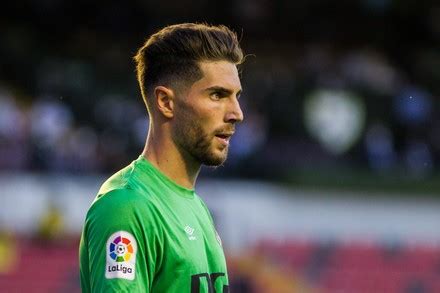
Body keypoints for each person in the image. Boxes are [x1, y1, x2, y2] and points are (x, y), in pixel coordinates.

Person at [79, 23, 245, 292]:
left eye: (236, 97)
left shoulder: (195, 206)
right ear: (166, 102)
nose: (237, 113)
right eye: (217, 95)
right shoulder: (128, 206)